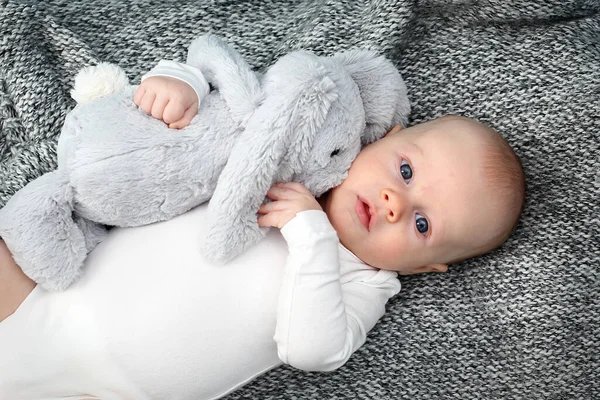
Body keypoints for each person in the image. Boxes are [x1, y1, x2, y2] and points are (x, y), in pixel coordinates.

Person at [0, 62, 525, 400]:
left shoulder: (364, 283)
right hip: (58, 281)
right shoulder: (295, 153)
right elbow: (230, 99)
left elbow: (313, 351)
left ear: (428, 266)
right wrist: (178, 83)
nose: (394, 203)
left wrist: (310, 234)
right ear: (388, 136)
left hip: (113, 391)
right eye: (406, 172)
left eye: (422, 222)